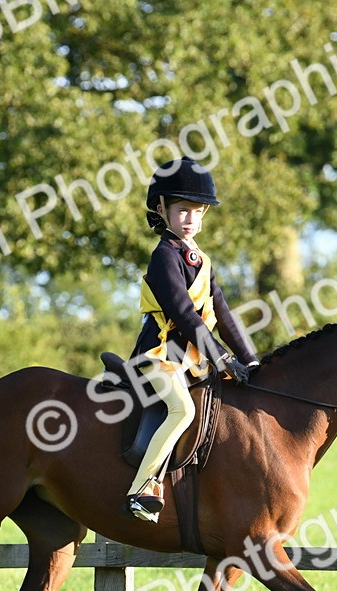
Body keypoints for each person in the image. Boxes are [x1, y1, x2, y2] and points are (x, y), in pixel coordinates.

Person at [124, 157, 259, 523]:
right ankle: (142, 489)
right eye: (183, 210)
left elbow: (224, 313)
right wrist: (220, 358)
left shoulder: (202, 259)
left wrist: (250, 360)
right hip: (157, 357)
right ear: (161, 208)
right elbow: (183, 314)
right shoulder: (164, 257)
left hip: (191, 359)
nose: (191, 219)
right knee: (182, 410)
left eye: (197, 212)